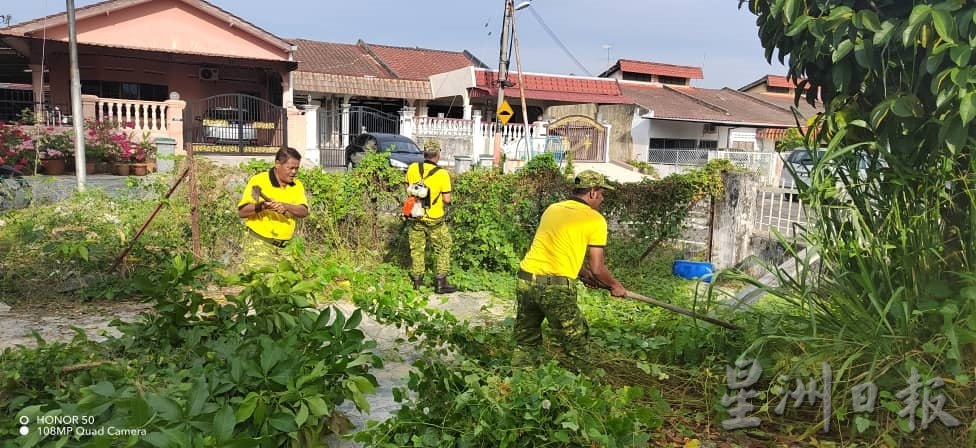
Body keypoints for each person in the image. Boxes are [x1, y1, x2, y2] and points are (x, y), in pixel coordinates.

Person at [512, 170, 628, 369]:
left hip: (526, 281)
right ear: (592, 193)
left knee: (526, 340)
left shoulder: (553, 209)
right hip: (555, 289)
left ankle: (518, 383)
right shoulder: (594, 219)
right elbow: (598, 268)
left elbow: (557, 248)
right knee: (577, 342)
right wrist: (615, 286)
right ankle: (589, 390)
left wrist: (583, 274)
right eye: (601, 194)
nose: (601, 199)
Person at [237, 147, 309, 270]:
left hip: (286, 247)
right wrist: (263, 206)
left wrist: (286, 206)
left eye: (296, 168)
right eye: (290, 168)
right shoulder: (259, 181)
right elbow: (242, 212)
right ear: (277, 164)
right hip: (260, 244)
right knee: (259, 285)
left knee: (287, 286)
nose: (294, 172)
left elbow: (304, 211)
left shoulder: (297, 185)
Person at [405, 140, 457, 293]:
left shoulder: (413, 168)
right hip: (435, 219)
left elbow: (407, 188)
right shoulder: (442, 174)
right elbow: (447, 199)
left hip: (416, 215)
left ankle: (417, 282)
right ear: (438, 155)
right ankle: (441, 283)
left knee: (416, 249)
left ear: (424, 153)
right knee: (443, 247)